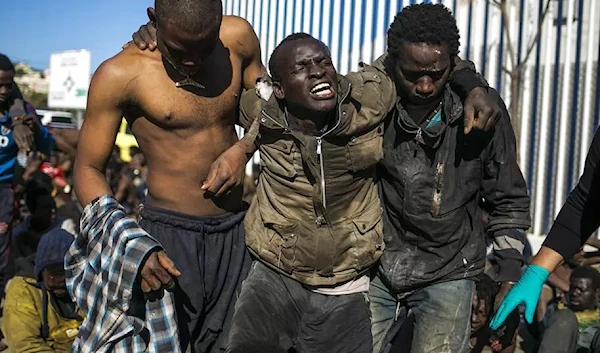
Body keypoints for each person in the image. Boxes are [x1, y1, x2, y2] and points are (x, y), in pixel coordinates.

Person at [68, 0, 265, 352]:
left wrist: (244, 148)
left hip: (238, 233)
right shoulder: (121, 73)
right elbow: (87, 168)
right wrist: (128, 244)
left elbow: (272, 107)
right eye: (179, 50)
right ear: (153, 21)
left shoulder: (238, 39)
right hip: (168, 243)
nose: (192, 61)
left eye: (204, 48)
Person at [368, 4, 530, 353]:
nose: (425, 86)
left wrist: (510, 273)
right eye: (412, 74)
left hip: (450, 270)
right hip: (378, 264)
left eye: (436, 74)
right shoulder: (372, 102)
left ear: (451, 64)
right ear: (394, 63)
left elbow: (508, 201)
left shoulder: (483, 110)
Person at [0, 53, 55, 327]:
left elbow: (48, 145)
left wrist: (37, 132)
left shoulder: (22, 112)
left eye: (8, 85)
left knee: (1, 259)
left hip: (3, 193)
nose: (3, 91)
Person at [2, 228, 83, 353]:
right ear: (41, 271)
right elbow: (25, 345)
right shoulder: (23, 290)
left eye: (66, 271)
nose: (61, 279)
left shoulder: (88, 282)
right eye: (54, 272)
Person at [536, 266, 600, 353]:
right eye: (572, 288)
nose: (574, 293)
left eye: (581, 290)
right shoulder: (555, 312)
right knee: (564, 318)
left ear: (596, 293)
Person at [469, 274, 519, 353]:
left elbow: (508, 342)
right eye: (470, 310)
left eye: (483, 313)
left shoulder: (501, 320)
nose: (474, 319)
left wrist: (504, 343)